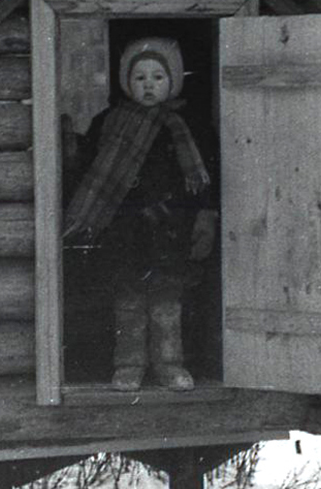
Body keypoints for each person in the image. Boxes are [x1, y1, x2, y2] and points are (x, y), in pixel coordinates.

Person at [63, 37, 217, 392]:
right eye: (140, 78)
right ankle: (129, 366)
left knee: (167, 303)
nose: (148, 84)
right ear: (126, 83)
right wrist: (71, 150)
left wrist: (194, 214)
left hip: (169, 229)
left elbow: (200, 179)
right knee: (128, 301)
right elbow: (89, 168)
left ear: (172, 82)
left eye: (158, 77)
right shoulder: (109, 121)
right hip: (124, 229)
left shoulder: (182, 127)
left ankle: (170, 365)